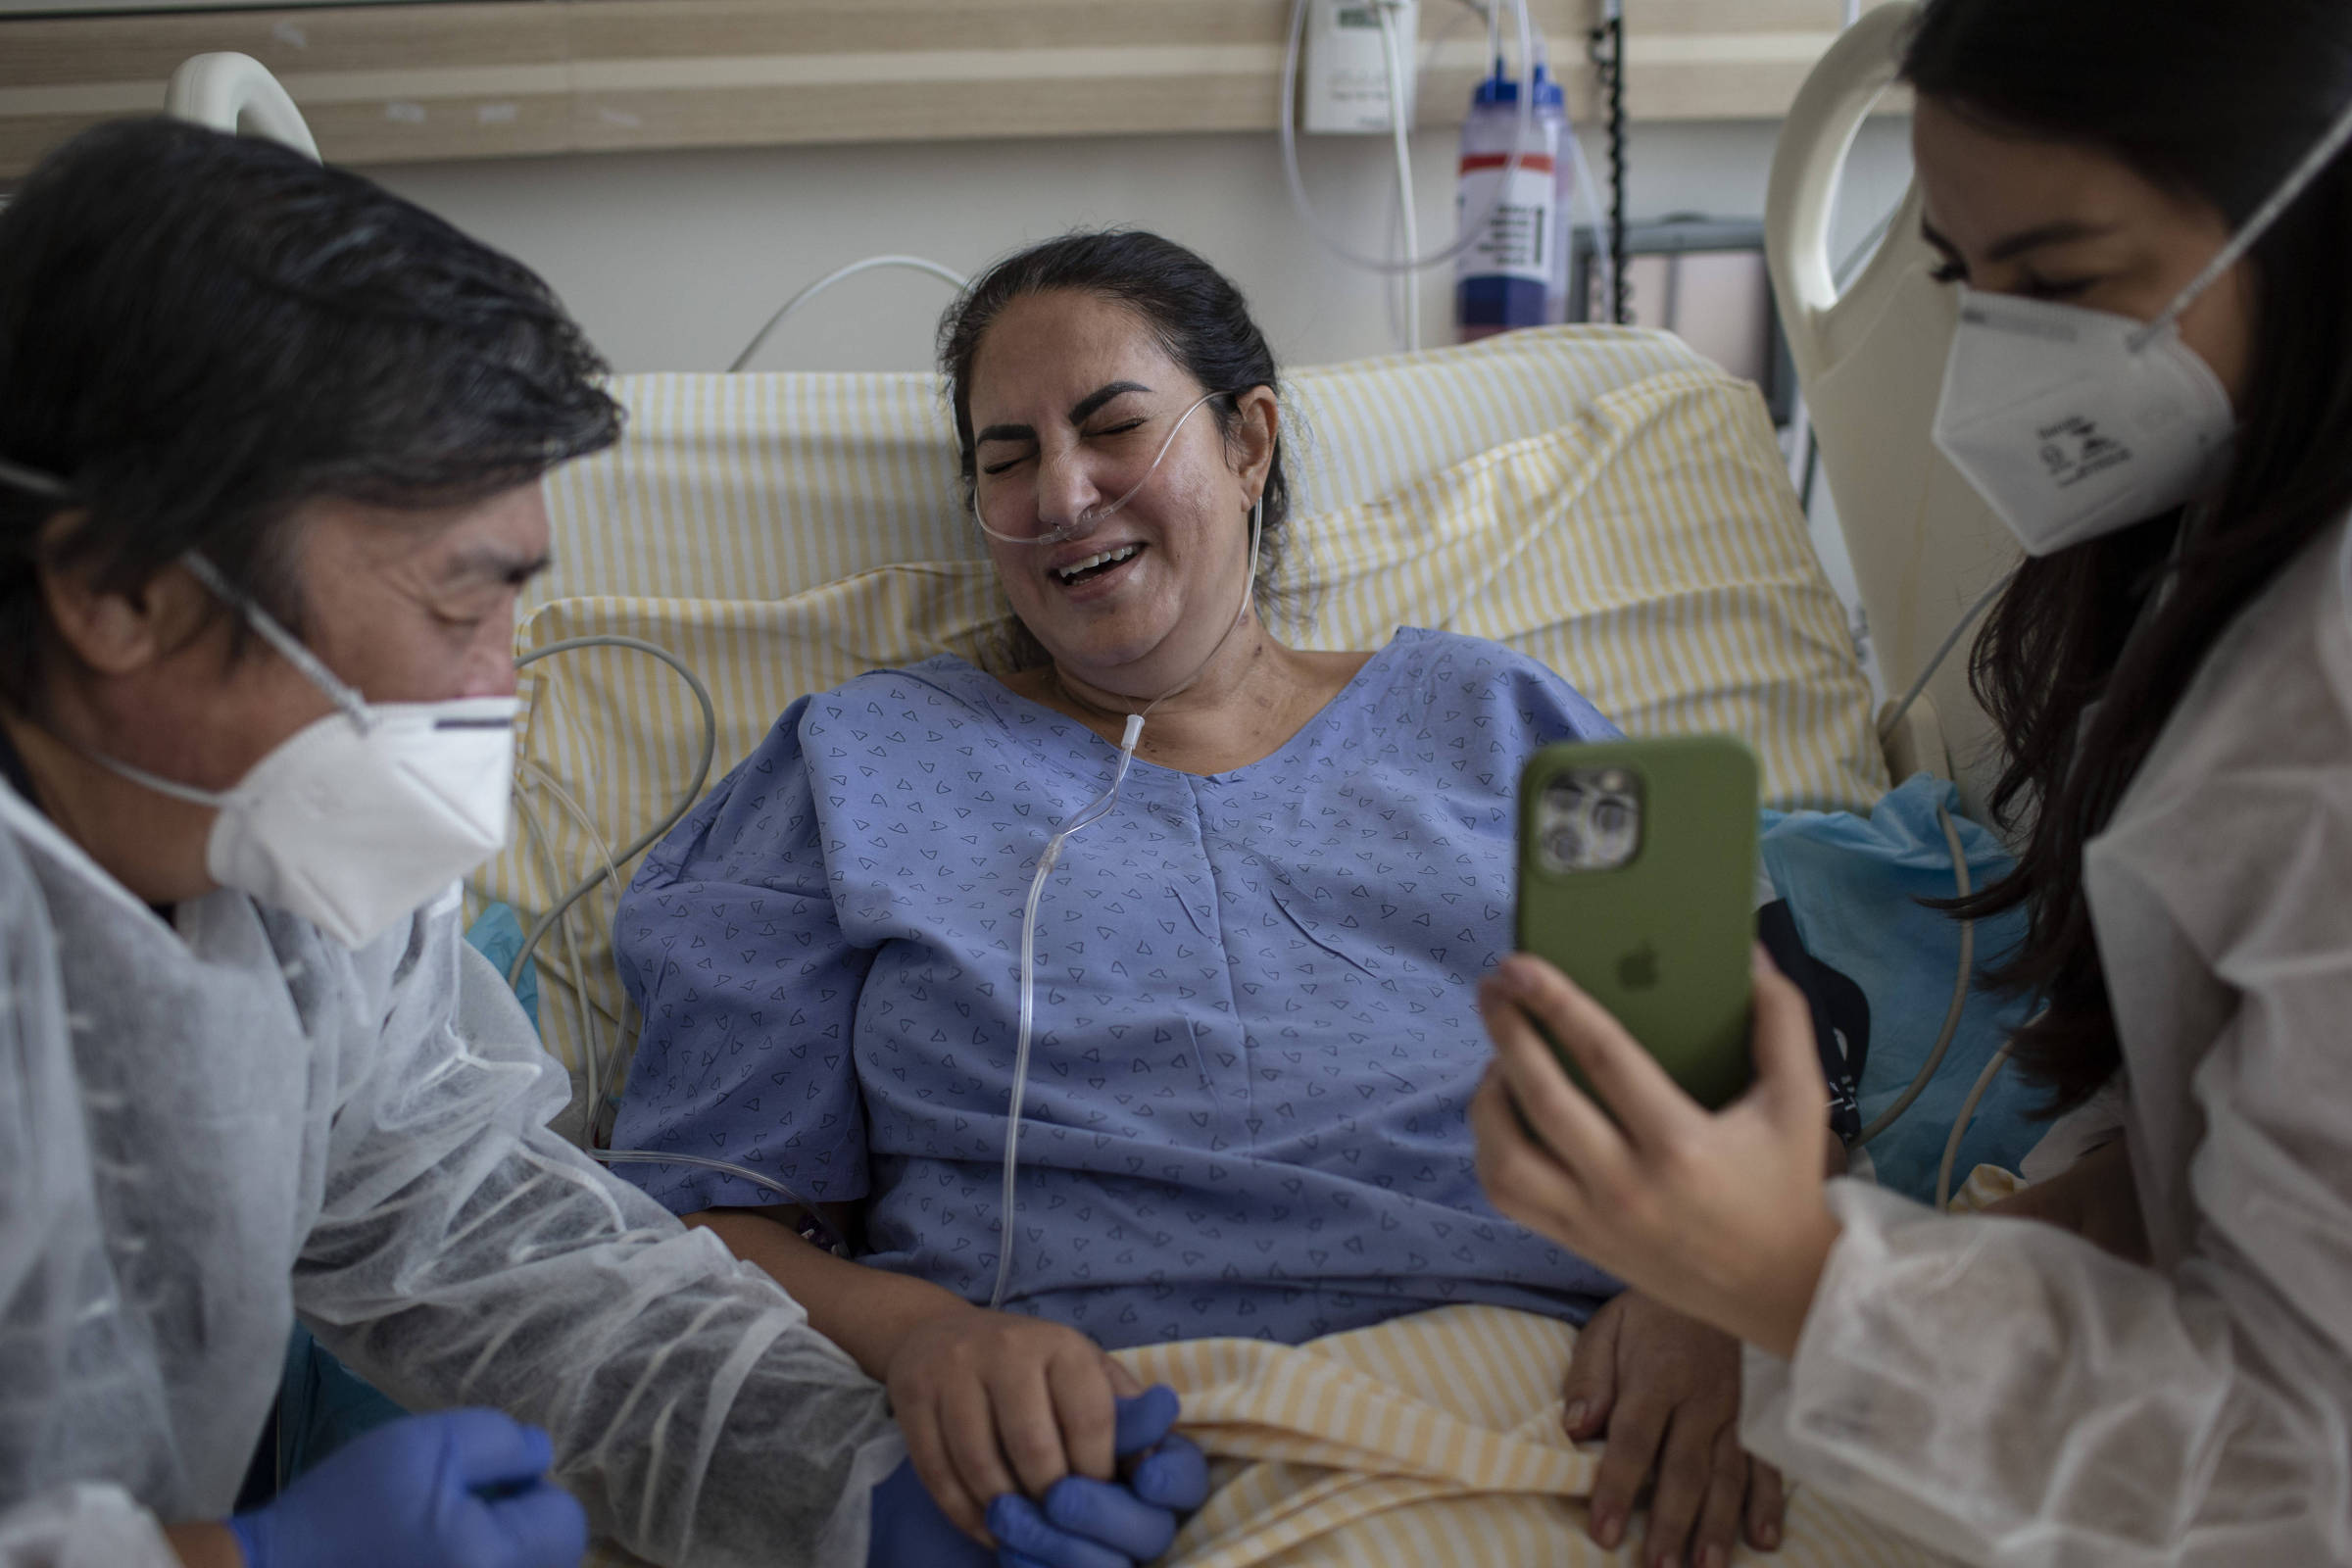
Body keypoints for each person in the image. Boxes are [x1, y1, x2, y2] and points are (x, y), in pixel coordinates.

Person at [611, 229, 1828, 1568]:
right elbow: (699, 1218)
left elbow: (1758, 1093)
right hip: (1104, 1445)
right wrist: (923, 1340)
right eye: (1005, 459)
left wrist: (1708, 1299)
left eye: (1112, 426)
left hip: (1592, 1404)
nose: (1062, 492)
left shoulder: (1508, 719)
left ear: (1249, 442)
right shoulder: (851, 764)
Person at [1470, 1, 2352, 1562]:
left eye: (2063, 284)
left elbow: (2302, 1468)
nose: (2000, 365)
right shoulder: (2210, 571)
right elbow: (2205, 1183)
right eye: (1964, 282)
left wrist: (1796, 1279)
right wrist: (1766, 1287)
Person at [0, 117, 936, 1568]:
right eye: (457, 609)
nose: (503, 682)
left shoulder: (283, 865)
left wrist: (851, 1482)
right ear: (117, 590)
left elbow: (474, 1231)